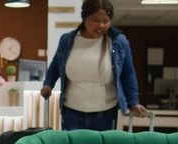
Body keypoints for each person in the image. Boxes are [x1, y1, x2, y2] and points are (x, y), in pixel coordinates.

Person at [40, 0, 146, 131]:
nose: (100, 25)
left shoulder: (118, 42)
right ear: (84, 19)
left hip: (106, 113)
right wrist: (48, 84)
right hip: (72, 112)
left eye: (106, 21)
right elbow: (56, 66)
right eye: (95, 20)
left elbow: (128, 74)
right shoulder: (67, 40)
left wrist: (133, 102)